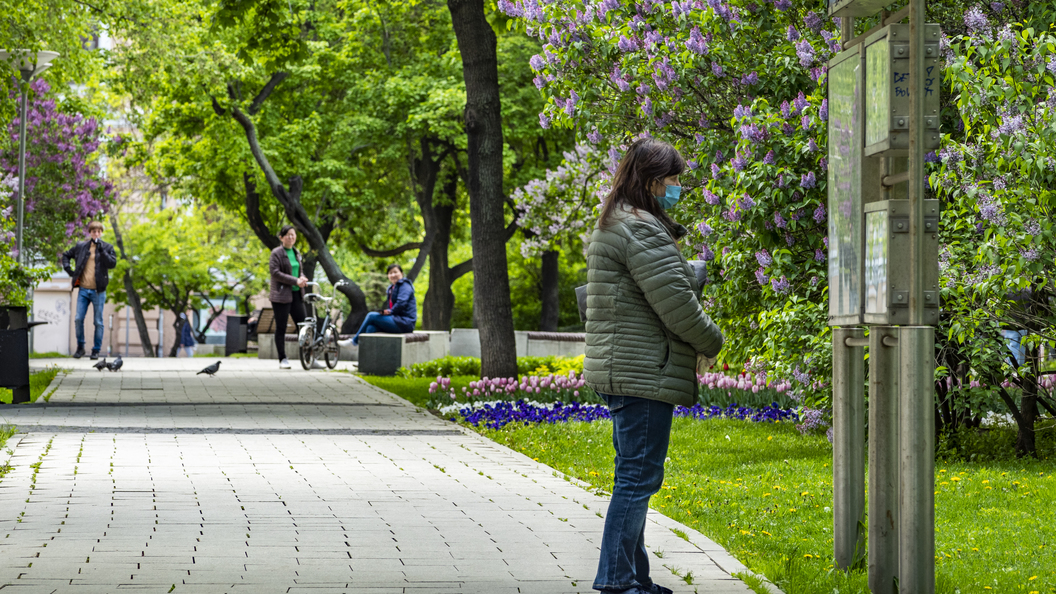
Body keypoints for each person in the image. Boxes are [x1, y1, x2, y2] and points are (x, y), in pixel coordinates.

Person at [584, 138, 724, 594]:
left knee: (635, 475)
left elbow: (652, 285)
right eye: (674, 181)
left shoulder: (617, 221)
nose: (678, 188)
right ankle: (618, 582)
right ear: (651, 181)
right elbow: (677, 307)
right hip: (644, 370)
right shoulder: (640, 227)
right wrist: (713, 341)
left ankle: (634, 577)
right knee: (637, 479)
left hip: (626, 367)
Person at [61, 221, 118, 360]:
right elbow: (66, 255)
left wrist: (101, 251)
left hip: (99, 291)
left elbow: (112, 263)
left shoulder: (107, 247)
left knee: (98, 321)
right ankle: (80, 348)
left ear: (101, 233)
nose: (96, 234)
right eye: (94, 231)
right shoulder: (81, 246)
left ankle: (96, 350)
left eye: (98, 231)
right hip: (84, 290)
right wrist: (70, 271)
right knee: (78, 319)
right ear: (90, 233)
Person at [269, 225, 309, 369]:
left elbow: (300, 271)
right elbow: (275, 273)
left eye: (293, 235)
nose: (291, 237)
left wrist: (302, 278)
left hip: (296, 294)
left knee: (303, 326)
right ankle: (282, 359)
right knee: (281, 327)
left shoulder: (296, 252)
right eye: (287, 235)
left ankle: (308, 357)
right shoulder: (276, 253)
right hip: (281, 296)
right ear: (281, 238)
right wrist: (295, 280)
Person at [351, 264, 416, 346]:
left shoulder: (405, 285)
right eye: (390, 273)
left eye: (395, 272)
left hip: (405, 323)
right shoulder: (392, 288)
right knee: (370, 328)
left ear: (402, 274)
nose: (393, 275)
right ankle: (369, 356)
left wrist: (390, 312)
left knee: (371, 315)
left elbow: (401, 303)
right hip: (396, 321)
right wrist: (387, 312)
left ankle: (354, 342)